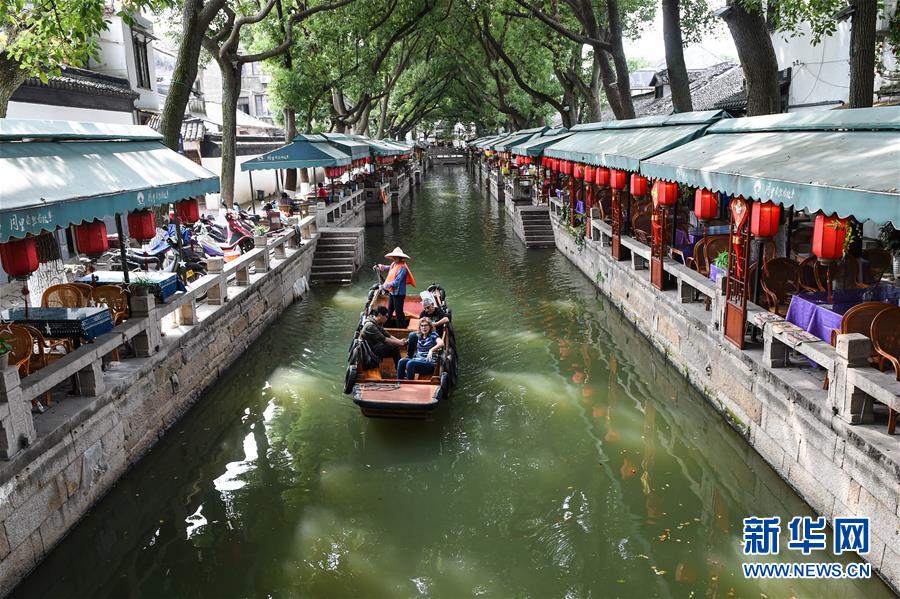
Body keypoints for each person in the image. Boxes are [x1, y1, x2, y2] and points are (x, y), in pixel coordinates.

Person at [374, 247, 416, 328]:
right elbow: (388, 267)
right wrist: (380, 267)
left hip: (399, 293)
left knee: (399, 312)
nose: (394, 258)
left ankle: (402, 328)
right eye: (394, 256)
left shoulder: (403, 268)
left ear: (400, 257)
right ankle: (386, 326)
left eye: (396, 257)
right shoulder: (394, 264)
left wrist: (385, 286)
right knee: (389, 311)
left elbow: (397, 282)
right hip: (392, 292)